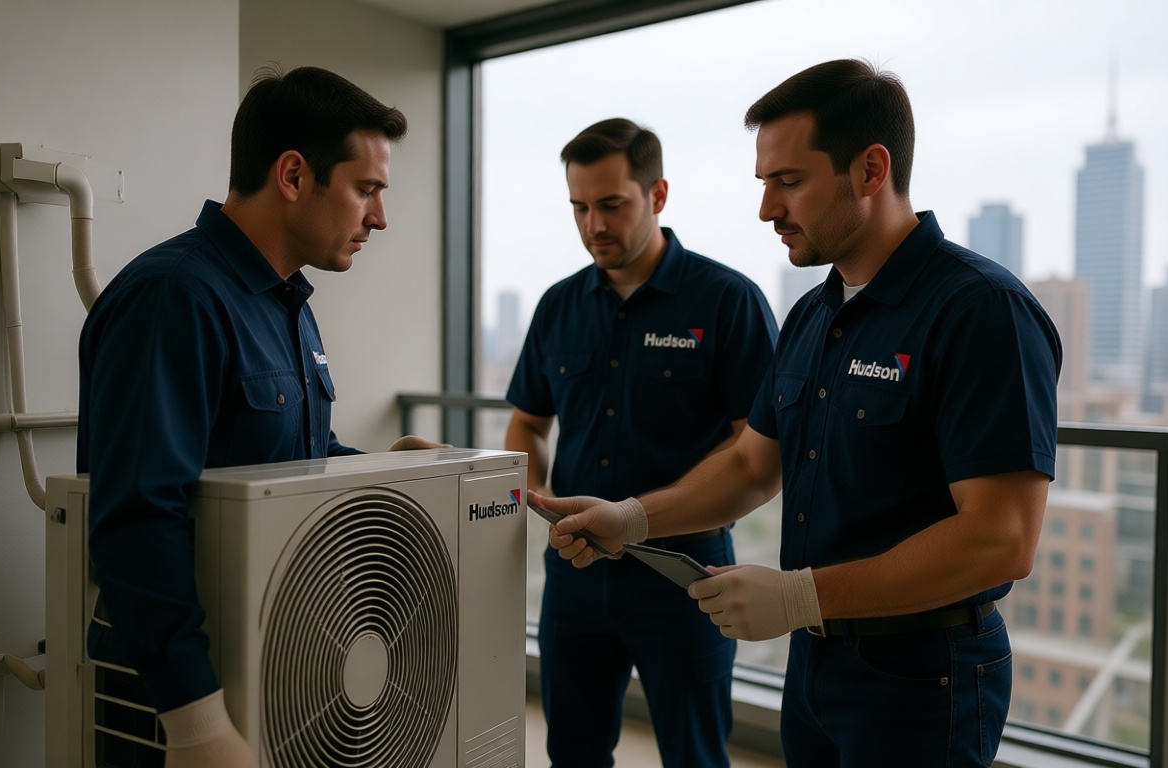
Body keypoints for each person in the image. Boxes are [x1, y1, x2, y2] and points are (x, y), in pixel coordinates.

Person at [533, 60, 1061, 767]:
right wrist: (630, 518)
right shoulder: (814, 314)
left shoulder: (979, 311)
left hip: (923, 679)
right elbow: (753, 463)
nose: (766, 210)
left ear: (871, 170)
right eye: (763, 184)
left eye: (789, 182)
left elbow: (1002, 541)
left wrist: (802, 596)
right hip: (814, 667)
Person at [78, 66, 440, 768]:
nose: (379, 217)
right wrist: (194, 720)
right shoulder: (172, 298)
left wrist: (381, 469)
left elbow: (280, 458)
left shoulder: (286, 306)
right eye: (366, 189)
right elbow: (137, 518)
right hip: (172, 697)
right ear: (295, 175)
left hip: (273, 662)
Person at [505, 118, 778, 767]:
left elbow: (756, 450)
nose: (593, 224)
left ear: (657, 195)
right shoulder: (557, 306)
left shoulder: (728, 302)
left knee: (694, 754)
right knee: (572, 750)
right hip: (575, 575)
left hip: (685, 577)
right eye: (579, 207)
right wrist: (534, 493)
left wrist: (642, 515)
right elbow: (529, 422)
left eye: (611, 204)